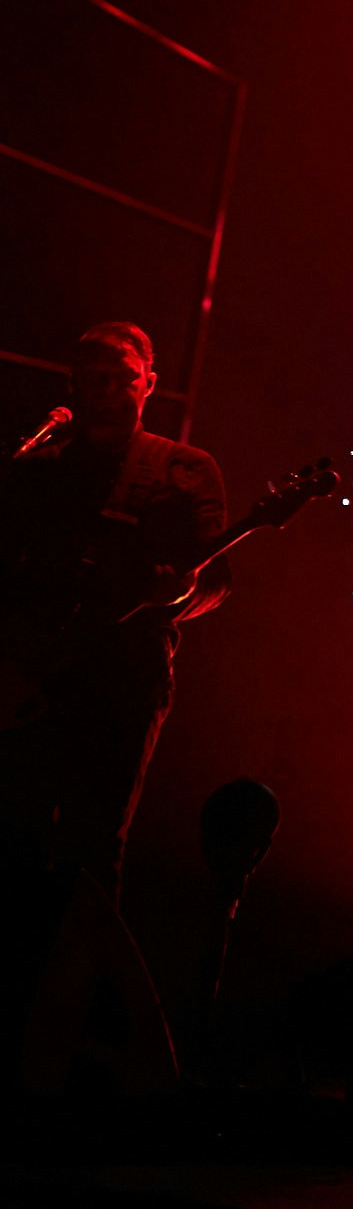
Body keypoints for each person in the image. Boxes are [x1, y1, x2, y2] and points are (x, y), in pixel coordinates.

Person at [0, 322, 229, 895]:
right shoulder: (39, 467)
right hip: (32, 675)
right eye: (93, 379)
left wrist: (177, 594)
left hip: (124, 676)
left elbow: (217, 581)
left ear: (149, 383)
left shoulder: (185, 470)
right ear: (73, 386)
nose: (106, 390)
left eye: (122, 378)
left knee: (93, 848)